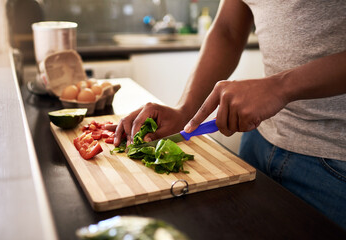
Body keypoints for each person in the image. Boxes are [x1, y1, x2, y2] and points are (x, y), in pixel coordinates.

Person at [111, 0, 346, 229]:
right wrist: (185, 111)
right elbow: (227, 30)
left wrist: (280, 86)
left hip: (333, 163)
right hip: (258, 143)